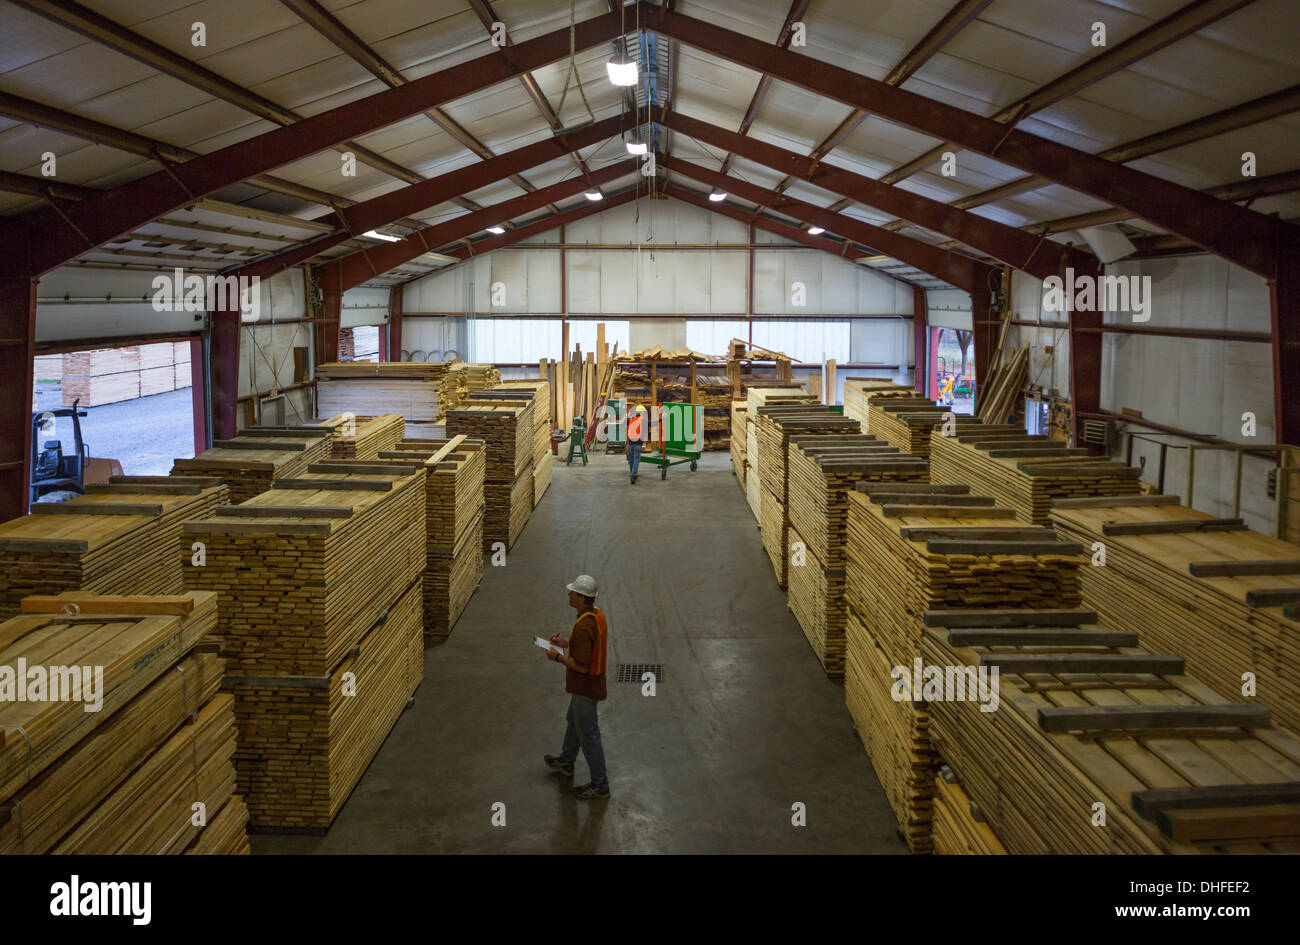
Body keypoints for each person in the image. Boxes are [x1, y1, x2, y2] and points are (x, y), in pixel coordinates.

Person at [543, 574, 610, 799]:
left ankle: (600, 785)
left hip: (585, 687)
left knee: (589, 734)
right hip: (589, 685)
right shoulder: (594, 614)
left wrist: (557, 657)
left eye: (573, 592)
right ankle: (567, 761)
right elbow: (586, 644)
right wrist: (565, 643)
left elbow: (581, 666)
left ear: (581, 598)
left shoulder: (583, 627)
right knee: (574, 721)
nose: (569, 594)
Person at [626, 404, 646, 484]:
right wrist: (662, 418)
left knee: (631, 460)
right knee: (636, 460)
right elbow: (653, 423)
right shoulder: (643, 420)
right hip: (638, 444)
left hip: (631, 443)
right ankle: (633, 475)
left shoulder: (631, 419)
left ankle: (632, 473)